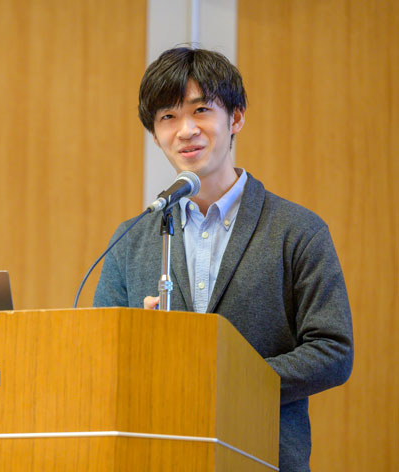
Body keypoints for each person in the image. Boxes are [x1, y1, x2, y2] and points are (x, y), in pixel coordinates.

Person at [93, 47, 353, 471]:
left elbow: (333, 351)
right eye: (168, 117)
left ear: (235, 118)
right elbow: (101, 358)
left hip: (263, 454)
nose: (185, 130)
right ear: (155, 132)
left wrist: (227, 379)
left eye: (201, 110)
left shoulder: (297, 229)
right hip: (157, 454)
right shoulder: (131, 238)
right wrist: (141, 344)